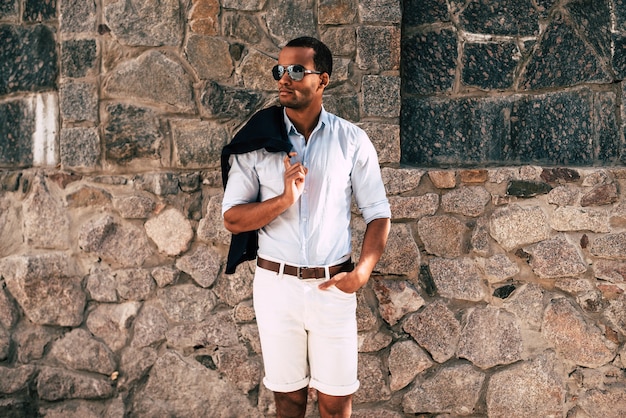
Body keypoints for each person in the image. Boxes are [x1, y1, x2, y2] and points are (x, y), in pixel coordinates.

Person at [221, 36, 391, 418]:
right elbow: (232, 218)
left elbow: (378, 212)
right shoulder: (257, 142)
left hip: (333, 288)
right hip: (276, 288)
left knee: (335, 403)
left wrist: (361, 273)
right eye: (279, 70)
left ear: (323, 80)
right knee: (289, 400)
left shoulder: (352, 140)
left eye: (297, 70)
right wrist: (283, 200)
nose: (284, 78)